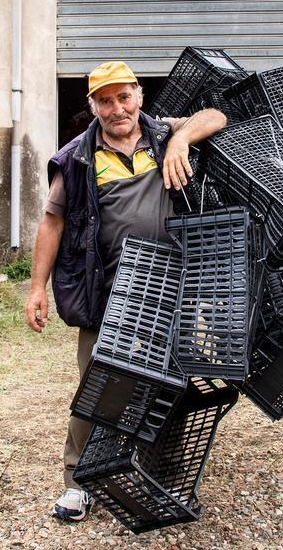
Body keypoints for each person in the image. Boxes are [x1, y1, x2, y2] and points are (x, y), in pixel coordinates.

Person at [23, 60, 227, 522]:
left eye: (124, 97)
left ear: (139, 95)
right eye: (105, 100)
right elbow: (52, 222)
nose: (117, 108)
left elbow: (217, 115)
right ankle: (76, 483)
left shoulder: (160, 133)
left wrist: (180, 140)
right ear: (92, 106)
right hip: (107, 292)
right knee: (99, 387)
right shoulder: (77, 157)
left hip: (169, 286)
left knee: (171, 382)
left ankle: (163, 470)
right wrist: (37, 288)